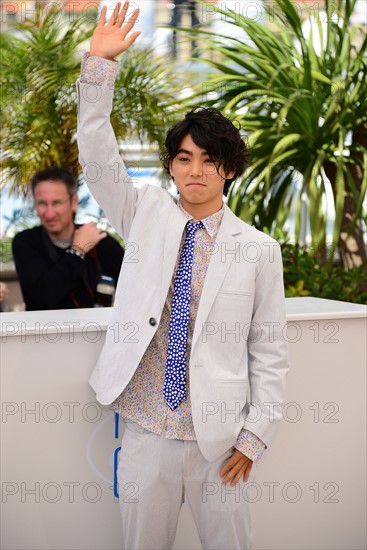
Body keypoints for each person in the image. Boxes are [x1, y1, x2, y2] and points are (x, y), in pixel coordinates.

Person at [77, 3, 289, 548]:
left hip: (222, 442)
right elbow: (98, 157)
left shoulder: (259, 249)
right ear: (171, 164)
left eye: (210, 161)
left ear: (230, 168)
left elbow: (269, 351)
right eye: (184, 158)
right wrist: (98, 69)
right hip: (147, 426)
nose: (196, 172)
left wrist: (255, 437)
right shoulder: (143, 209)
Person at [12, 167, 124, 311]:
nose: (50, 213)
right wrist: (77, 250)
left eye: (57, 203)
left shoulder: (101, 242)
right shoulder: (26, 242)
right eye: (42, 204)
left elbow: (135, 288)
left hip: (97, 331)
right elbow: (42, 298)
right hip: (43, 331)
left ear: (74, 202)